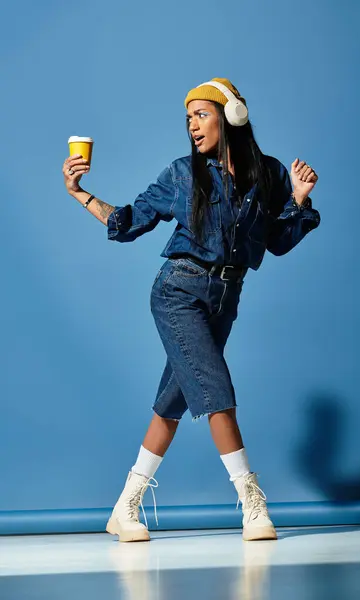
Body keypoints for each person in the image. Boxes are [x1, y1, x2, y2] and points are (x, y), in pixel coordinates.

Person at [62, 78, 320, 543]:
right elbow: (127, 222)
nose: (193, 126)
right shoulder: (183, 173)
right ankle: (252, 503)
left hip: (226, 297)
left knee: (172, 404)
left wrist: (298, 201)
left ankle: (124, 508)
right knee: (216, 390)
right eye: (188, 119)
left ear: (232, 115)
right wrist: (80, 192)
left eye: (201, 115)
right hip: (178, 291)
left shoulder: (271, 175)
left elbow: (277, 243)